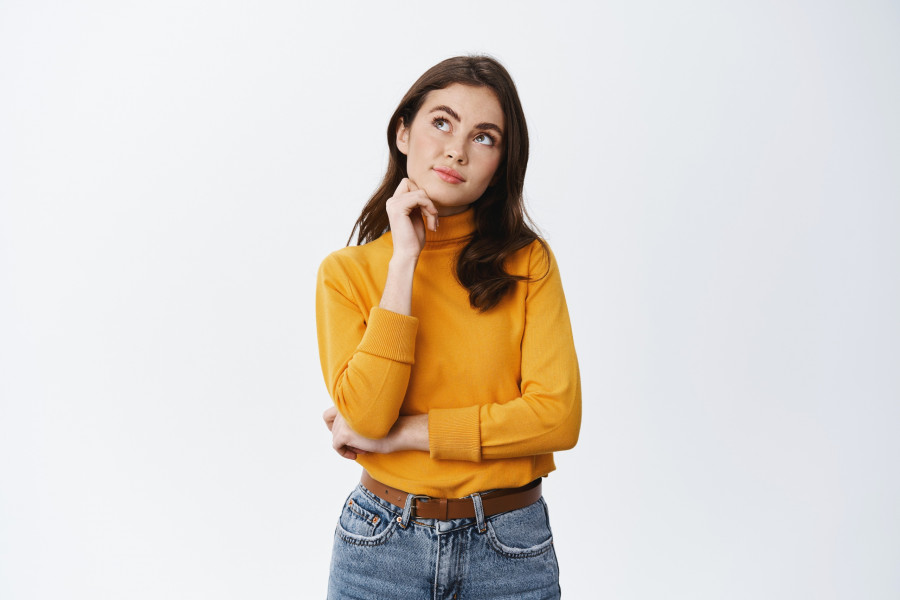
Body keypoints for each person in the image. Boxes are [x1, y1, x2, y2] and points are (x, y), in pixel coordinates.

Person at [316, 55, 581, 599]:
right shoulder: (346, 275)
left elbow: (557, 418)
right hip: (381, 544)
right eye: (442, 122)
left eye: (484, 137)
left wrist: (405, 436)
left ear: (501, 163)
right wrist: (404, 263)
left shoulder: (528, 264)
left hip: (509, 548)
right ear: (403, 132)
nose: (457, 150)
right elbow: (366, 413)